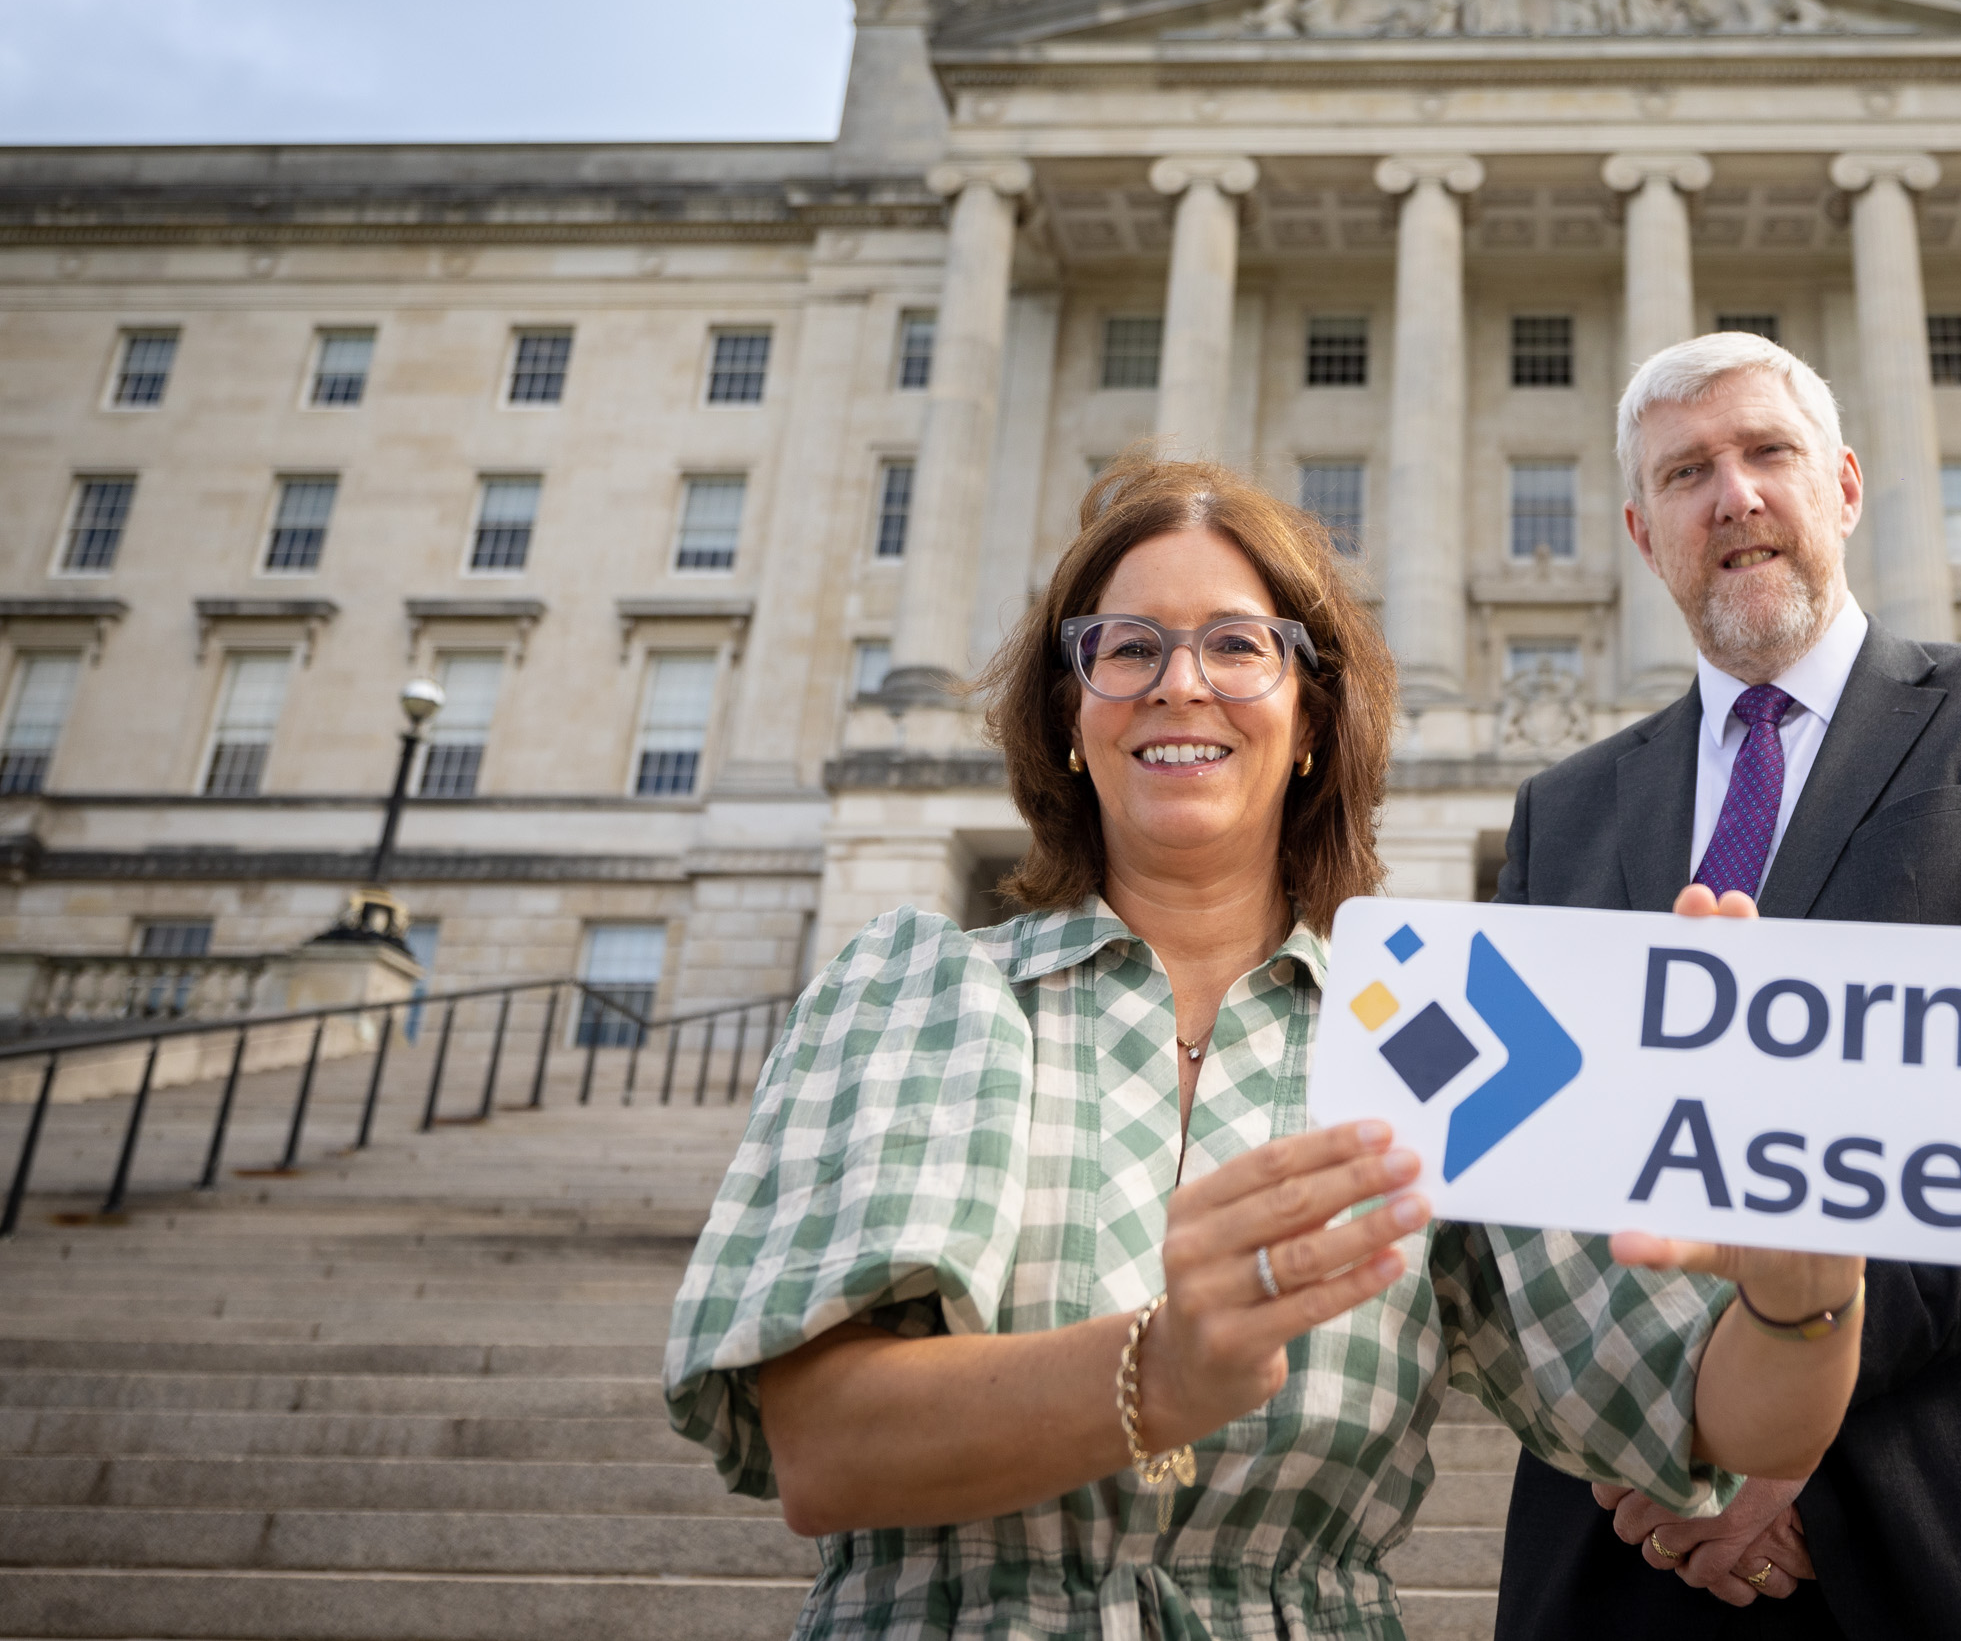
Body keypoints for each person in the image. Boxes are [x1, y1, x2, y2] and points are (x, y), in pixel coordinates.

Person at [664, 454, 1868, 1640]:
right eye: (1127, 646)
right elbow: (819, 1446)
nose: (1180, 682)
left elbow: (1726, 1419)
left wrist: (1802, 1286)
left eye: (1238, 645)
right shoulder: (923, 985)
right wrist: (1161, 1368)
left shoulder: (1435, 1031)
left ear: (1309, 722)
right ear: (1072, 718)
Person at [1492, 336, 1961, 1640]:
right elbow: (1525, 1176)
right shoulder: (1561, 813)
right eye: (1686, 473)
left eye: (1765, 453)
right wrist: (1674, 1435)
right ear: (1640, 529)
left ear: (1841, 486)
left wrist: (1781, 1397)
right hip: (1637, 1547)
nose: (1733, 495)